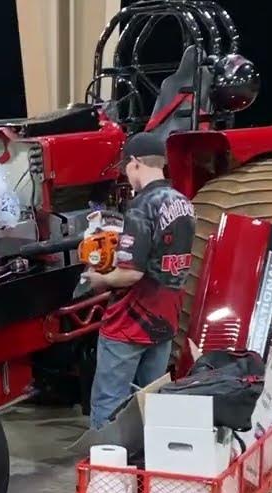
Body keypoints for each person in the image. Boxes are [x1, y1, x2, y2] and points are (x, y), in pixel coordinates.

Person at [81, 132, 195, 430]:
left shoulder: (143, 205)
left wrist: (98, 278)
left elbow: (131, 273)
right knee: (151, 400)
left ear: (134, 163)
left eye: (126, 169)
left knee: (110, 402)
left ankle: (109, 470)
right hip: (165, 320)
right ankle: (146, 462)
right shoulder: (184, 202)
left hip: (130, 323)